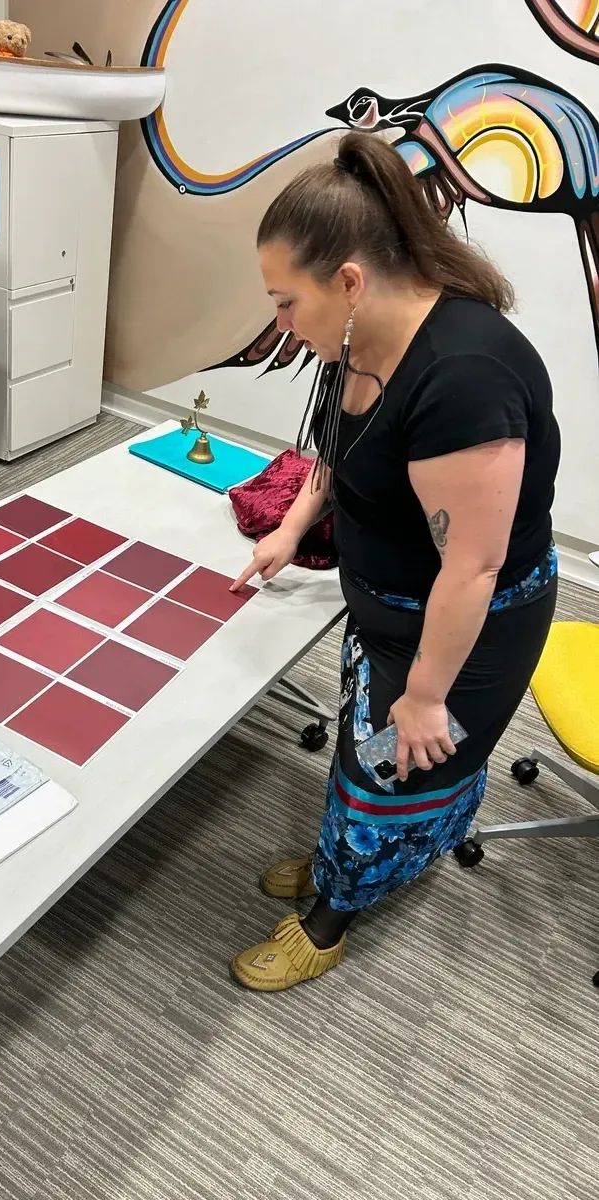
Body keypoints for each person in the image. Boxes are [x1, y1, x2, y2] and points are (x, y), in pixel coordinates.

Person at [228, 131, 560, 992]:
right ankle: (335, 865)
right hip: (391, 612)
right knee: (357, 752)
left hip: (463, 635)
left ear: (349, 281)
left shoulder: (465, 378)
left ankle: (329, 921)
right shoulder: (358, 338)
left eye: (285, 302)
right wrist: (291, 528)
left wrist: (426, 695)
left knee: (390, 773)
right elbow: (338, 453)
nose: (279, 323)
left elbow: (473, 568)